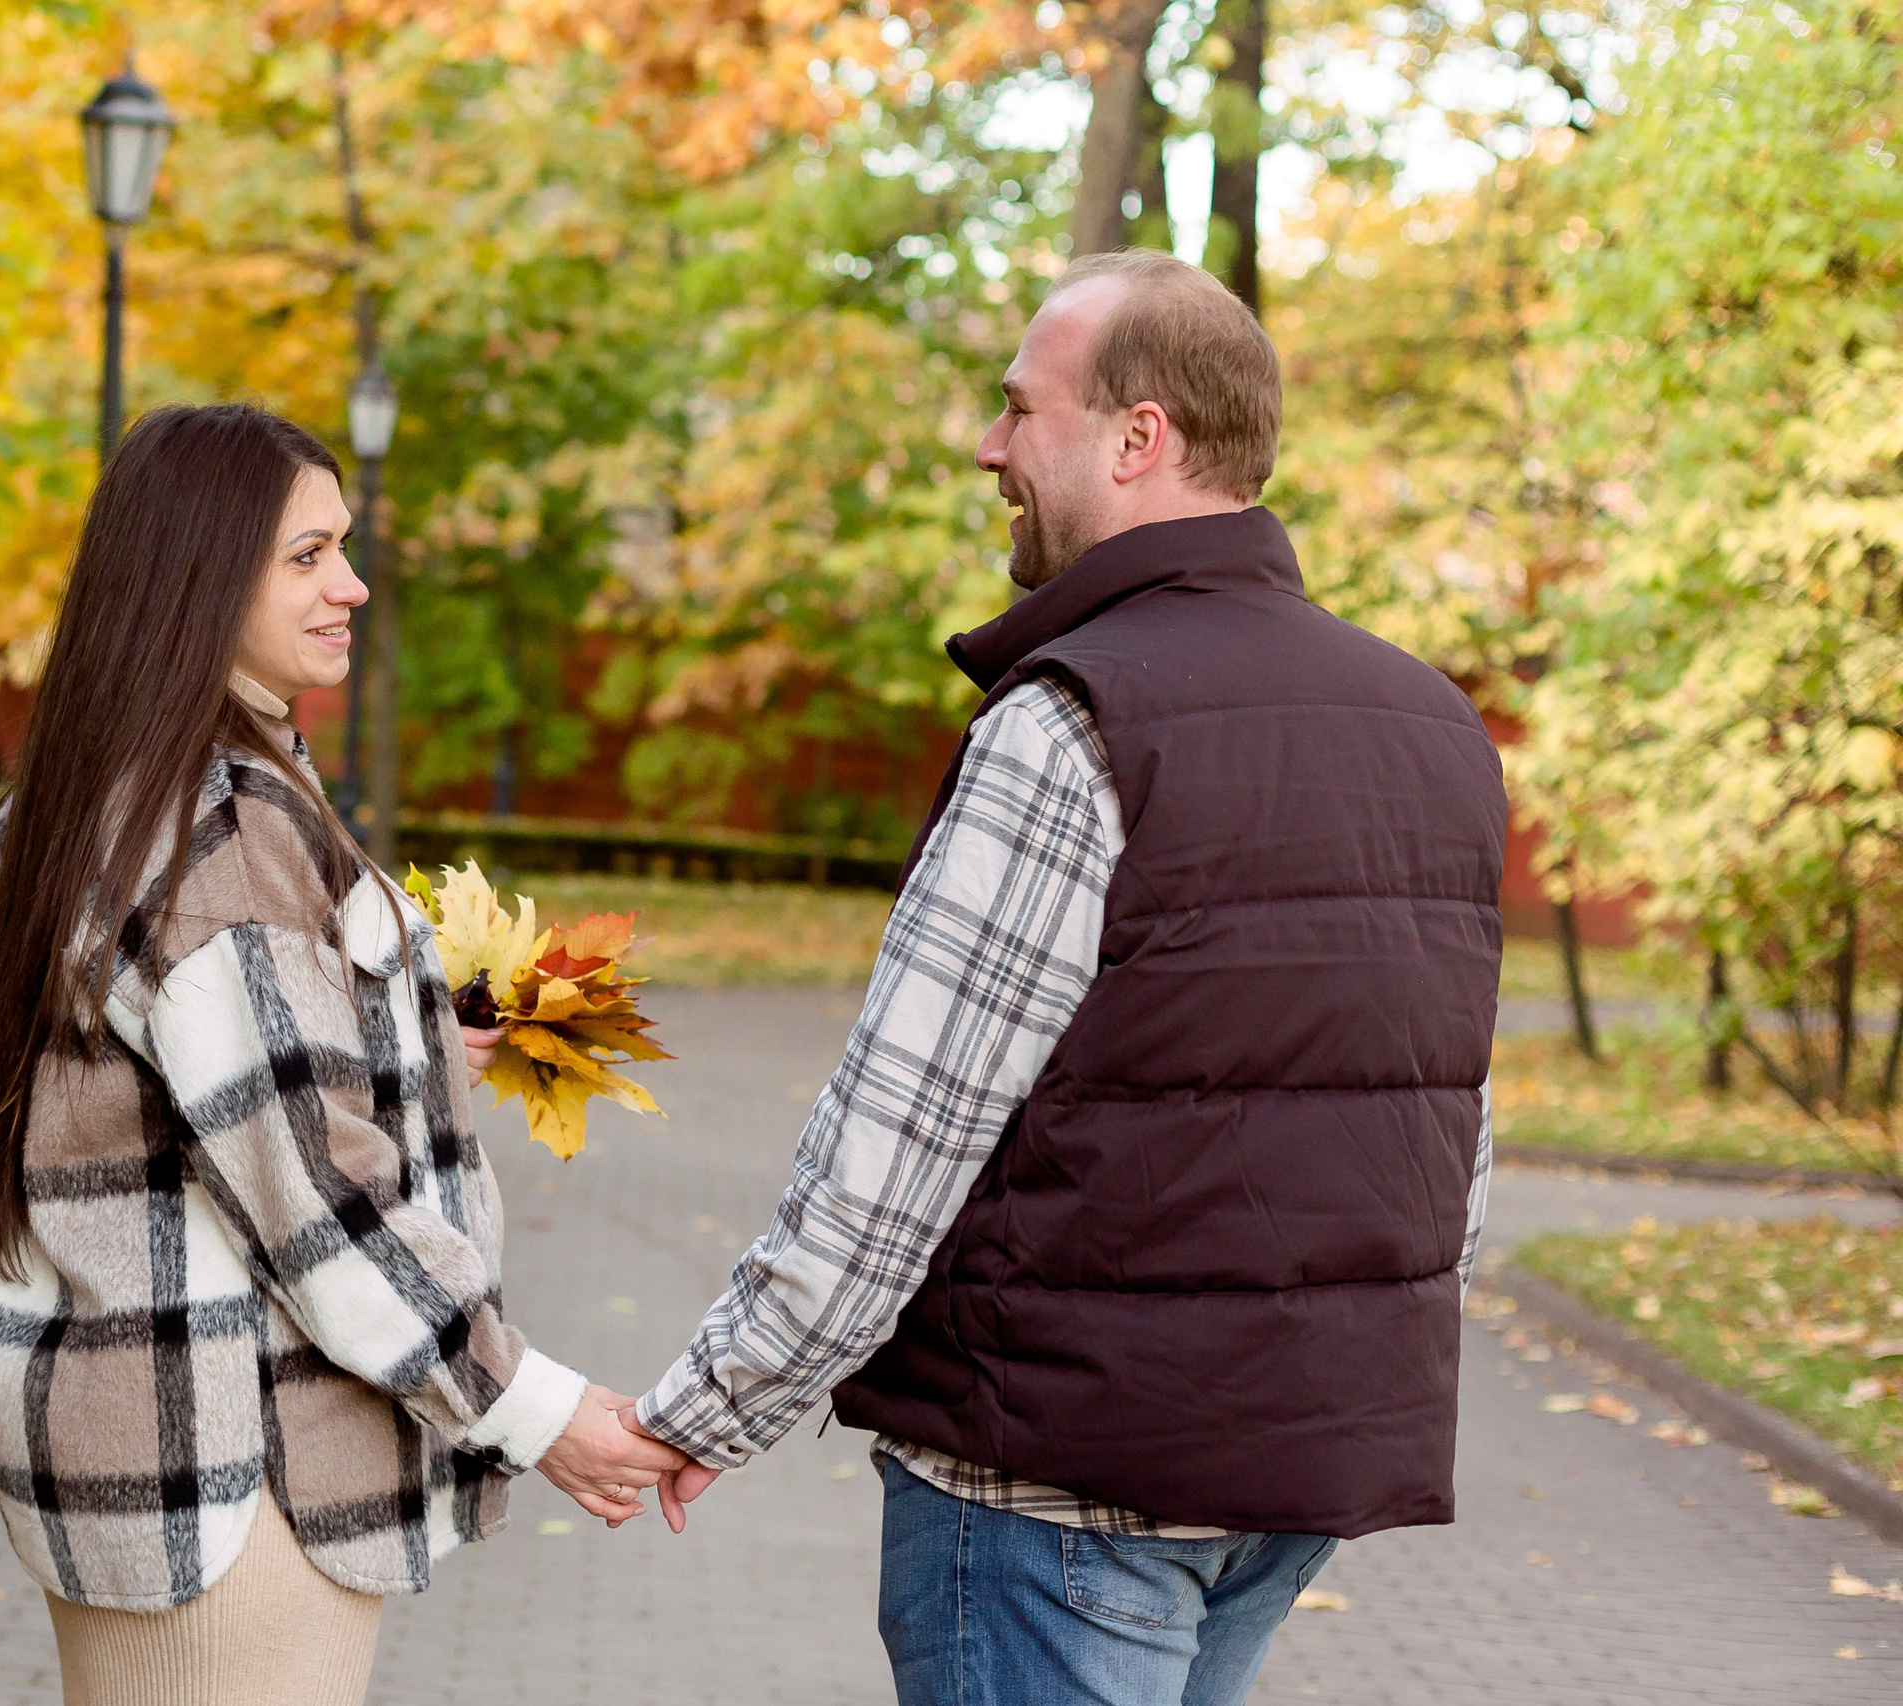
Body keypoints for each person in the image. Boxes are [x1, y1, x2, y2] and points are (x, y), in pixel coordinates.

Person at [627, 250, 1504, 1706]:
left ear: (1137, 437)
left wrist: (709, 1407)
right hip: (1291, 1485)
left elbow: (897, 1139)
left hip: (1049, 1491)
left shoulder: (1071, 723)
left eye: (1018, 408)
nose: (988, 444)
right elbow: (1455, 1139)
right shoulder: (1436, 729)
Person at [0, 403, 686, 1706]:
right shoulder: (218, 825)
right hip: (235, 1472)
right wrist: (543, 1410)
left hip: (125, 1453)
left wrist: (402, 1017)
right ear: (203, 576)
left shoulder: (67, 799)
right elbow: (321, 1201)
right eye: (309, 554)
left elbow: (144, 1083)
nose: (354, 582)